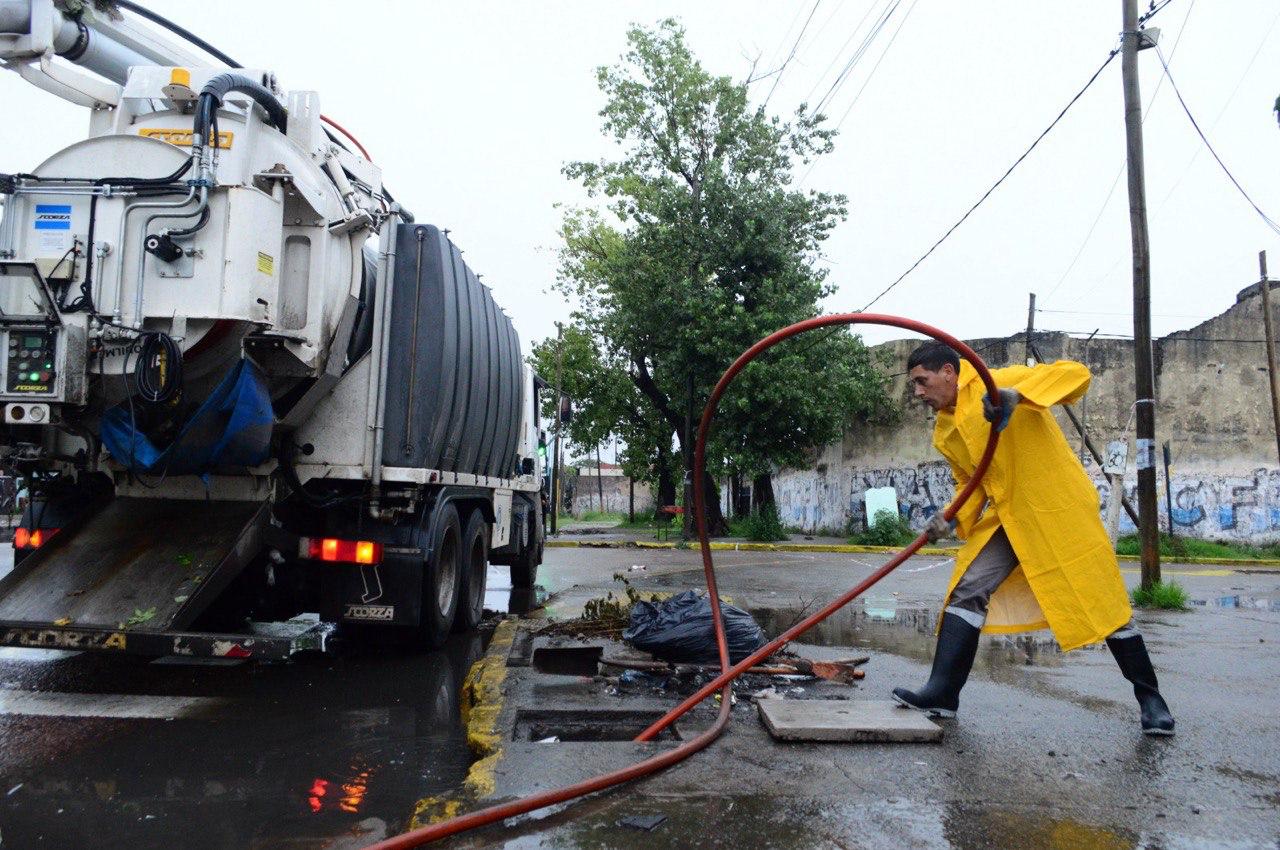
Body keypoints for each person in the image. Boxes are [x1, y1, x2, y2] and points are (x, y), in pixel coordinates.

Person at [892, 341, 1174, 736]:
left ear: (949, 373)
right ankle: (942, 693)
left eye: (922, 382)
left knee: (1100, 602)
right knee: (968, 587)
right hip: (1010, 517)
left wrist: (1017, 396)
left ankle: (1151, 699)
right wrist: (951, 518)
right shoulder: (945, 429)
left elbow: (1077, 376)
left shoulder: (1000, 381)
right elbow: (970, 481)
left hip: (1057, 510)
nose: (918, 392)